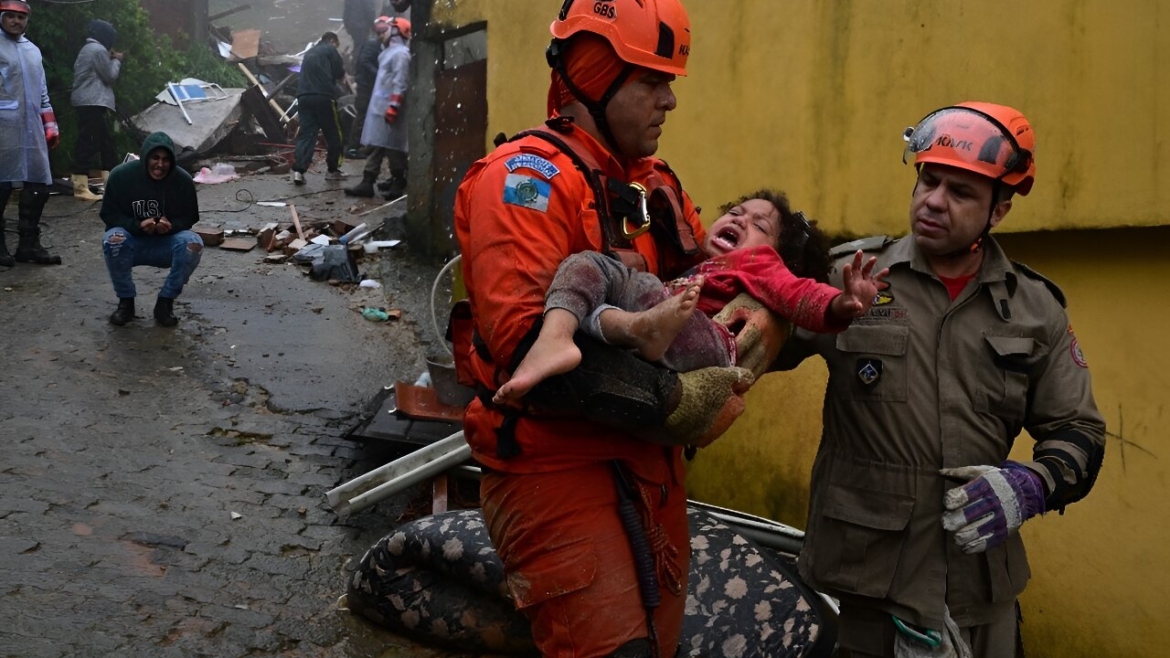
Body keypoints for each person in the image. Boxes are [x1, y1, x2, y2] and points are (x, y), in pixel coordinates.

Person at [453, 2, 772, 656]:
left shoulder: (655, 187)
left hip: (653, 473)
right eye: (652, 82)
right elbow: (523, 356)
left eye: (670, 82)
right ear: (593, 78)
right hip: (557, 471)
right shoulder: (526, 181)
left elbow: (709, 299)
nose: (670, 101)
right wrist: (674, 401)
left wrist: (771, 315)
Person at [774, 102, 1107, 657]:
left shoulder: (1034, 309)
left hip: (981, 597)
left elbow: (1081, 432)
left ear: (998, 210)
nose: (933, 201)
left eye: (960, 193)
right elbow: (746, 351)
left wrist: (1033, 485)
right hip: (871, 594)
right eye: (929, 180)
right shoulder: (853, 275)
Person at [494, 189, 887, 403]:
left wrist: (841, 304)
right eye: (735, 211)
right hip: (660, 331)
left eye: (758, 223)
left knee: (640, 289)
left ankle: (636, 327)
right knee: (590, 267)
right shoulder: (697, 270)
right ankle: (563, 337)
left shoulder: (758, 261)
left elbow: (800, 295)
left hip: (707, 343)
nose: (739, 219)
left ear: (776, 253)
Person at [100, 131, 203, 327]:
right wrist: (137, 225)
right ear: (146, 157)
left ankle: (165, 303)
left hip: (166, 244)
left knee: (193, 243)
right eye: (155, 158)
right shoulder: (120, 176)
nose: (160, 165)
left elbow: (190, 217)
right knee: (113, 239)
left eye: (166, 159)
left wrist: (170, 226)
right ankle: (126, 303)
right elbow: (109, 215)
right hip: (132, 241)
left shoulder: (182, 180)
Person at [0, 0, 61, 267]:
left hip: (31, 126)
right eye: (10, 16)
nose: (16, 22)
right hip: (3, 126)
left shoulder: (33, 51)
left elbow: (42, 93)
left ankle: (29, 243)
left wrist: (50, 125)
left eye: (21, 17)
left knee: (38, 185)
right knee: (1, 185)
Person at [344, 17, 410, 199]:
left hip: (392, 110)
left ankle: (398, 181)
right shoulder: (387, 53)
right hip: (382, 108)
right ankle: (369, 182)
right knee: (378, 145)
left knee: (394, 148)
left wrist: (394, 106)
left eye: (384, 30)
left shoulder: (401, 54)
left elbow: (400, 82)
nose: (380, 35)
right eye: (379, 31)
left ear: (396, 31)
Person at [69, 18, 123, 202]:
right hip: (91, 101)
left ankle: (113, 185)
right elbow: (110, 76)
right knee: (88, 142)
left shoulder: (89, 49)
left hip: (91, 101)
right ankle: (80, 187)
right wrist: (116, 60)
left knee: (105, 143)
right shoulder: (98, 50)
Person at [291, 32, 345, 186]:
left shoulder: (309, 53)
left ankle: (299, 172)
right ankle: (333, 170)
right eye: (337, 45)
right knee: (335, 133)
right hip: (323, 96)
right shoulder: (330, 49)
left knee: (306, 134)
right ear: (332, 40)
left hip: (303, 97)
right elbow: (338, 72)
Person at [344, 15, 389, 159]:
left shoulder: (381, 46)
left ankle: (367, 146)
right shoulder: (372, 45)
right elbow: (364, 63)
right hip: (366, 88)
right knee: (362, 116)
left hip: (372, 87)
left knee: (372, 117)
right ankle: (352, 148)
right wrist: (380, 75)